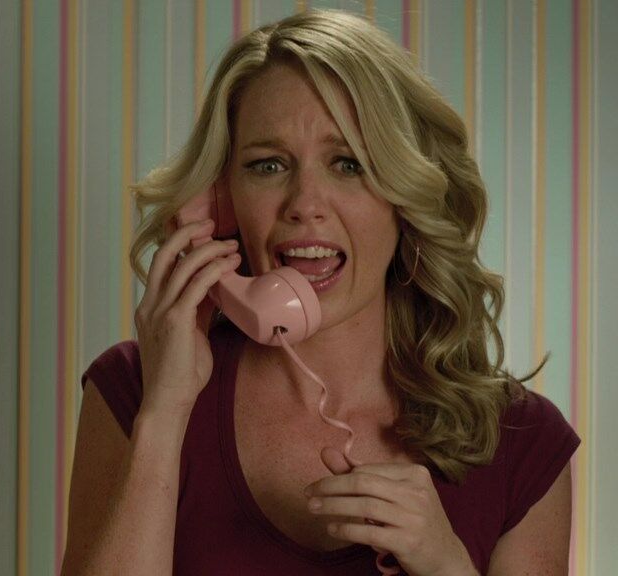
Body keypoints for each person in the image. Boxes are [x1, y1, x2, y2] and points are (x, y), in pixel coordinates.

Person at [61, 9, 579, 576]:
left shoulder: (525, 444)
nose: (305, 203)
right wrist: (164, 415)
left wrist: (446, 565)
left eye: (348, 164)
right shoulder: (134, 389)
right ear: (219, 204)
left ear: (405, 197)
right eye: (268, 165)